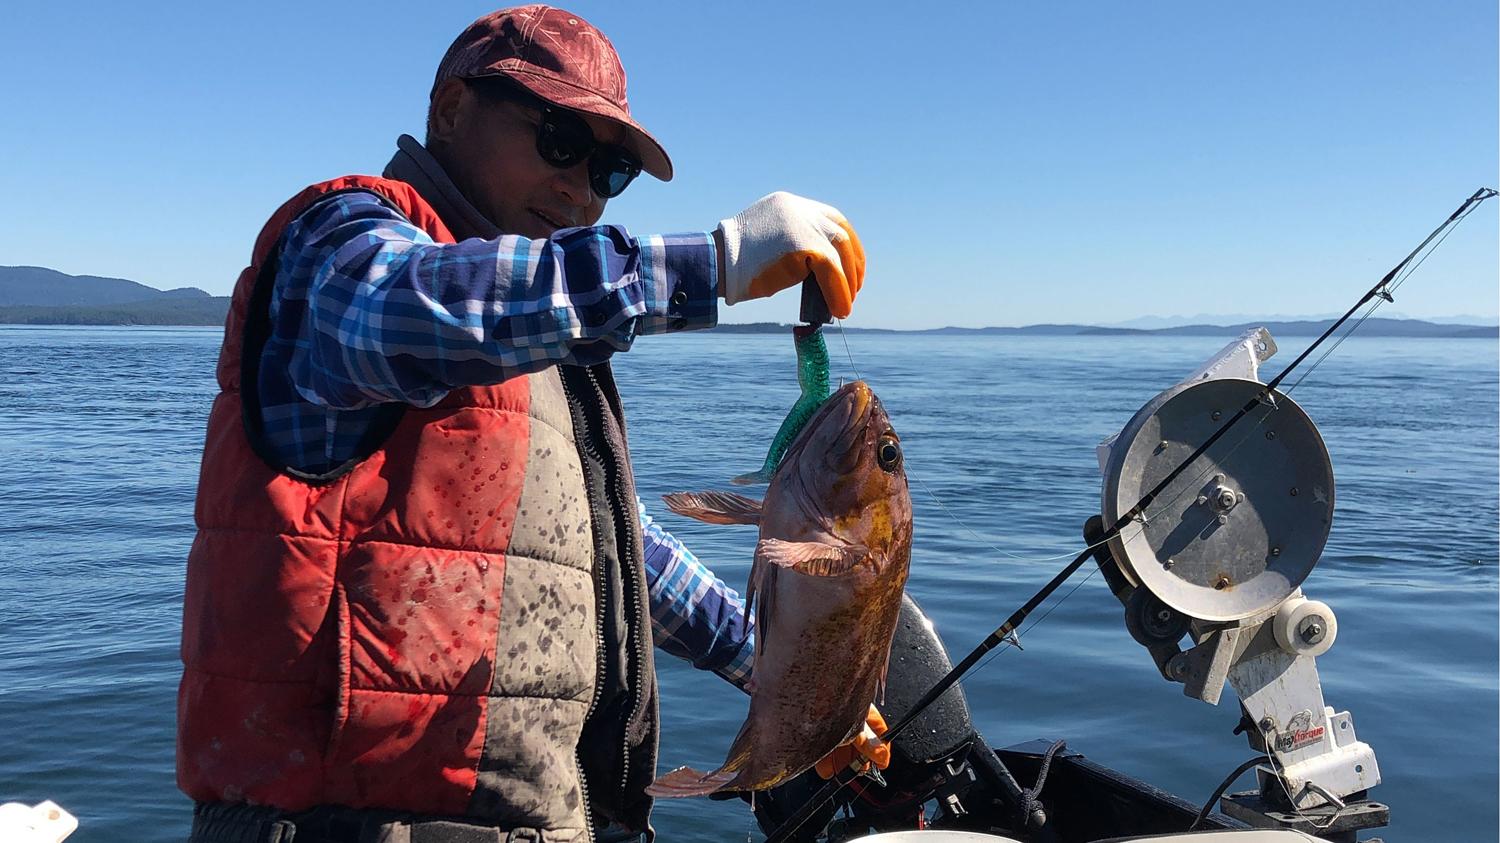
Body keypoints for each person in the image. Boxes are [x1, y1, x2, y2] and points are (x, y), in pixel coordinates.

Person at [177, 6, 883, 842]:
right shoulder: (341, 247)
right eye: (558, 138)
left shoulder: (542, 338)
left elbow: (616, 553)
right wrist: (711, 265)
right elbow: (409, 308)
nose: (582, 187)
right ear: (450, 109)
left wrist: (775, 670)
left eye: (610, 170)